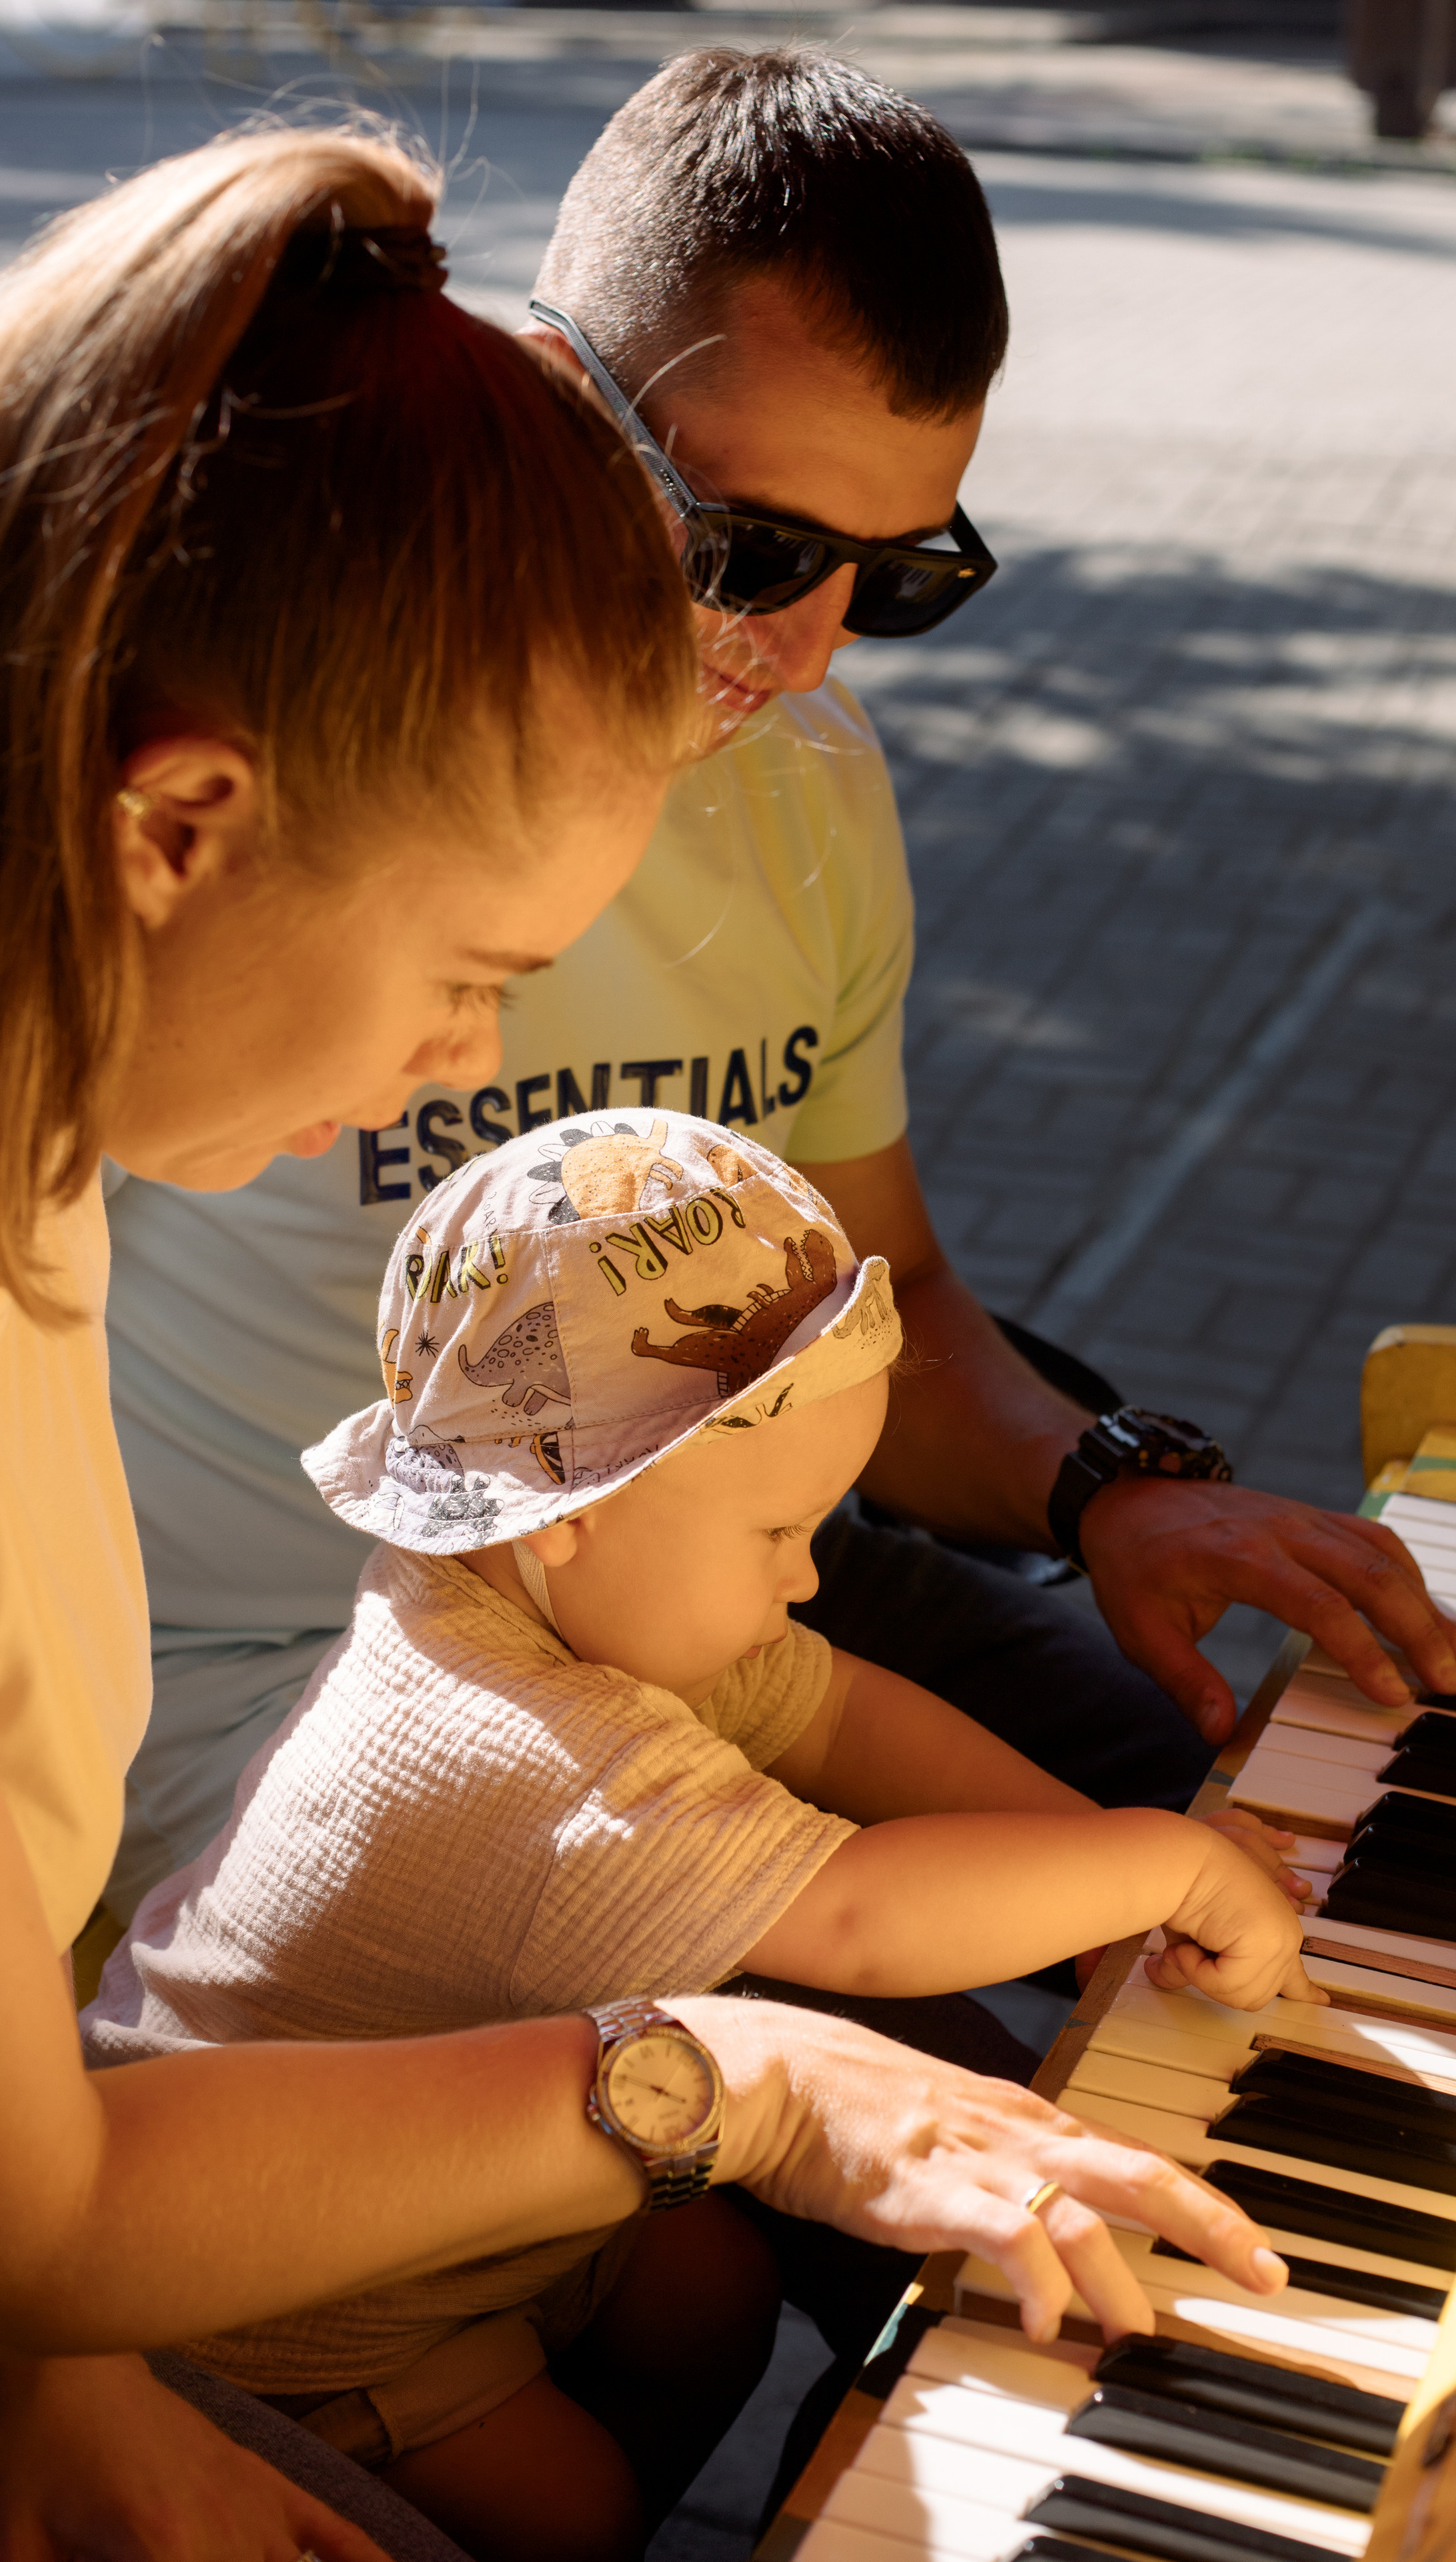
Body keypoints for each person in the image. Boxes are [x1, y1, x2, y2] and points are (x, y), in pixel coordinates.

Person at [0, 123, 1291, 2561]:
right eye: (469, 977)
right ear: (179, 827)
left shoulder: (57, 1152)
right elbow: (51, 2198)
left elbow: (881, 1343)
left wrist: (1117, 1489)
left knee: (1194, 1806)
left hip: (634, 1567)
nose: (467, 1073)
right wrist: (706, 2074)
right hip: (416, 1707)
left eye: (881, 580)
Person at [103, 47, 1456, 1943]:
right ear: (548, 383)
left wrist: (1107, 1490)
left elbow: (879, 1293)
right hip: (305, 1679)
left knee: (1330, 1883)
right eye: (752, 550)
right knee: (924, 2076)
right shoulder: (293, 787)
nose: (809, 649)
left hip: (737, 1599)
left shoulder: (807, 777)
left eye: (897, 578)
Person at [85, 1110, 1313, 2557]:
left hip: (475, 2181)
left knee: (712, 2288)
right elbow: (857, 1916)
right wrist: (1160, 1862)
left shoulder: (544, 1595)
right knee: (570, 2504)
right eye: (777, 1532)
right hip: (299, 2301)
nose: (807, 1577)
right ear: (563, 1513)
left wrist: (1093, 1861)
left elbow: (845, 1721)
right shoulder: (522, 1745)